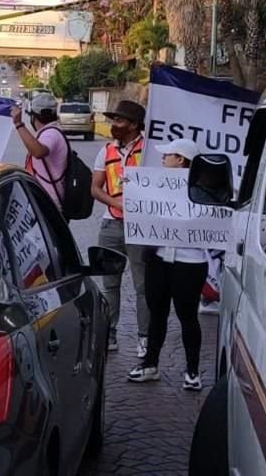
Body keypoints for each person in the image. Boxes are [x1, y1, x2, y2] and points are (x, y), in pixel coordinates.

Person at [127, 139, 209, 391]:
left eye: (168, 156)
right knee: (157, 314)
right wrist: (133, 191)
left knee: (187, 317)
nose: (162, 160)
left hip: (190, 263)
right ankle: (150, 364)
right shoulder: (155, 186)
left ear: (181, 160)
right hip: (160, 260)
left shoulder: (204, 190)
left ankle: (193, 371)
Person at [91, 99, 149, 355]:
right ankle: (110, 334)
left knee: (143, 287)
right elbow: (95, 188)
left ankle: (144, 338)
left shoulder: (150, 151)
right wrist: (116, 203)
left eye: (119, 120)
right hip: (111, 224)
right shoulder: (106, 151)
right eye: (113, 120)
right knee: (109, 285)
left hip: (141, 227)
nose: (114, 124)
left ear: (134, 125)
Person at [12, 92, 68, 209]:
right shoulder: (51, 131)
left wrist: (18, 124)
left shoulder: (51, 133)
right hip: (45, 199)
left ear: (34, 117)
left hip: (49, 201)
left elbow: (38, 152)